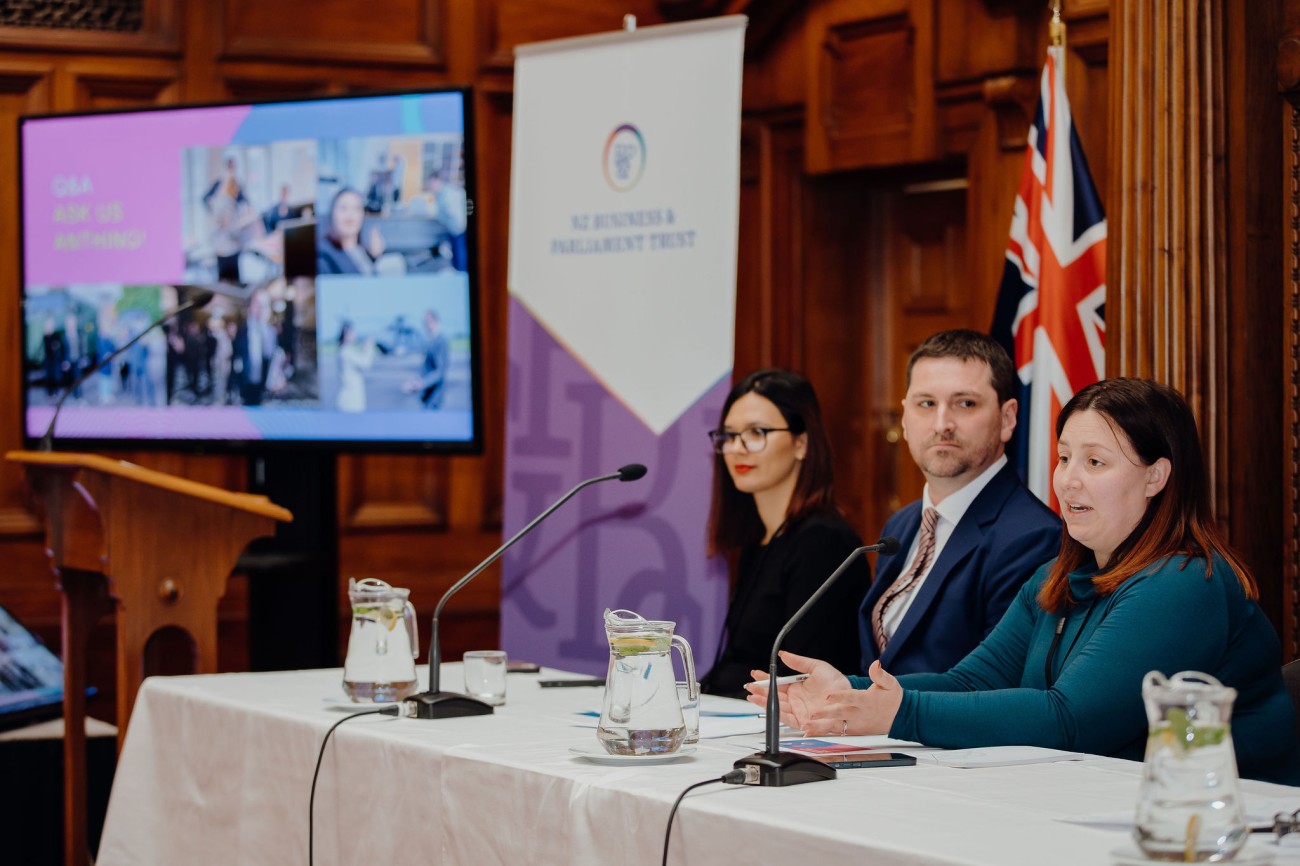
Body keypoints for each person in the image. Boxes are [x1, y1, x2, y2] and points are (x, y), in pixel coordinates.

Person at [752, 378, 1300, 785]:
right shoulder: (1058, 576)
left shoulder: (1185, 582)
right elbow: (973, 683)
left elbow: (1071, 719)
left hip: (1224, 825)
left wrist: (894, 712)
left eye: (1096, 462)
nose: (1069, 480)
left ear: (1157, 476)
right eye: (1064, 458)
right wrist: (849, 694)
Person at [859, 329, 1060, 676]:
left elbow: (995, 684)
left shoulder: (1033, 538)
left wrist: (858, 696)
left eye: (965, 403)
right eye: (926, 404)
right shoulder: (901, 526)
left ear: (1008, 418)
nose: (942, 424)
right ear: (905, 418)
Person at [698, 369, 870, 699]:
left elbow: (800, 677)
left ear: (802, 443)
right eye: (729, 435)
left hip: (795, 734)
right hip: (743, 721)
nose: (738, 448)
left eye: (757, 432)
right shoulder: (758, 539)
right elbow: (740, 661)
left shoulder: (823, 542)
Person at [317, 188, 386, 275]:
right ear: (332, 214)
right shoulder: (323, 256)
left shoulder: (360, 249)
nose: (350, 215)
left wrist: (374, 257)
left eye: (356, 208)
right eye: (343, 208)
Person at [232, 289, 278, 406]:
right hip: (245, 381)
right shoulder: (242, 331)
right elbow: (236, 357)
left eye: (263, 306)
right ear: (250, 307)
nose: (259, 309)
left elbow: (271, 356)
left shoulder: (270, 332)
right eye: (256, 305)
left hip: (263, 383)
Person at [402, 310, 449, 408]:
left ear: (434, 321)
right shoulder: (432, 340)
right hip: (428, 395)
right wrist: (416, 380)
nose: (425, 325)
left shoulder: (440, 341)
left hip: (434, 395)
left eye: (426, 322)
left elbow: (440, 371)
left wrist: (422, 383)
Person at [336, 321, 375, 412]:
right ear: (346, 334)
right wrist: (369, 347)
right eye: (352, 333)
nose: (355, 335)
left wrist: (364, 349)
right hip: (350, 399)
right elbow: (365, 363)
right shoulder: (346, 351)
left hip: (352, 396)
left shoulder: (345, 350)